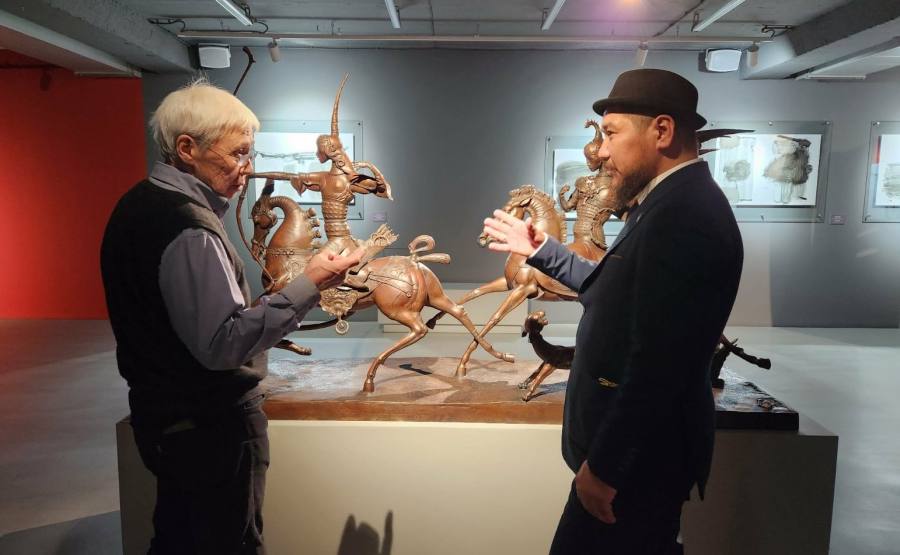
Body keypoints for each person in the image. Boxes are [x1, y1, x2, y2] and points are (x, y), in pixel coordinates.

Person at [482, 68, 743, 554]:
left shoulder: (684, 217)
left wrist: (605, 468)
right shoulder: (666, 203)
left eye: (610, 133)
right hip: (631, 460)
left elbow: (660, 364)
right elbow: (611, 291)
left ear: (661, 131)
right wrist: (542, 251)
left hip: (635, 466)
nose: (601, 151)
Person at [100, 80, 364, 554]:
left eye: (251, 152)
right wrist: (311, 283)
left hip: (166, 420)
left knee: (179, 539)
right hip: (207, 429)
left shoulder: (137, 204)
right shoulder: (189, 228)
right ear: (187, 149)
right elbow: (223, 343)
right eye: (239, 153)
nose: (248, 167)